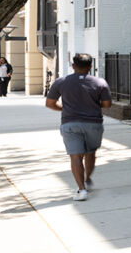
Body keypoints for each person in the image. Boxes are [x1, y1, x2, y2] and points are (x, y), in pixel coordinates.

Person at [43, 54, 112, 201]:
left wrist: (64, 108)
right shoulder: (100, 82)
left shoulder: (61, 82)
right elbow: (107, 104)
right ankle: (87, 180)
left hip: (70, 123)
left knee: (75, 156)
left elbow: (50, 103)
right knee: (91, 153)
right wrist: (91, 105)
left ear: (73, 66)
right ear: (90, 67)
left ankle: (81, 190)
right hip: (93, 123)